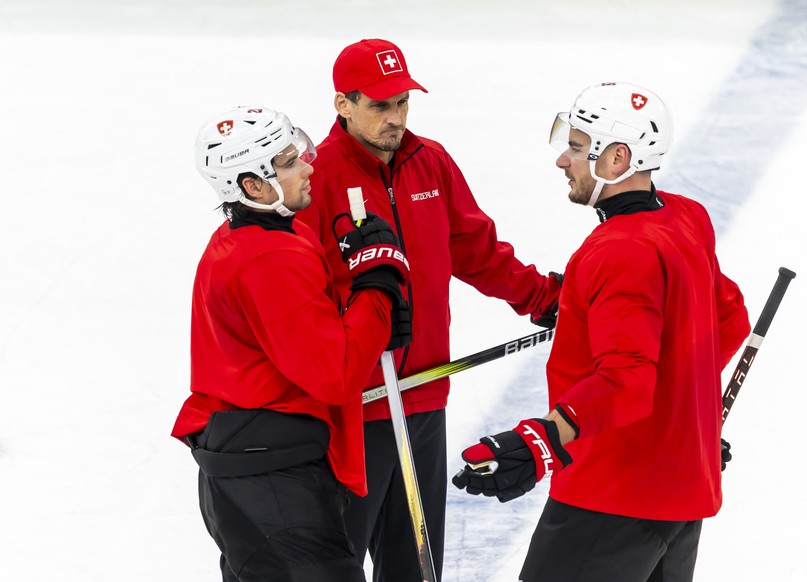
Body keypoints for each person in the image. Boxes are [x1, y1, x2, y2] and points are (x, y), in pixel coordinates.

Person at [452, 82, 752, 582]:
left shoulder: (618, 251)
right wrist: (686, 430)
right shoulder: (686, 217)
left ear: (616, 159)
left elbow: (626, 381)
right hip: (680, 495)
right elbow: (727, 319)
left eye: (575, 147)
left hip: (612, 497)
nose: (562, 161)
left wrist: (541, 440)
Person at [293, 38, 562, 581]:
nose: (395, 118)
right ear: (342, 104)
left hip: (422, 398)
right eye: (380, 105)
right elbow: (295, 291)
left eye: (403, 103)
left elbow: (476, 251)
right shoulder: (314, 178)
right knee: (334, 565)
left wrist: (543, 298)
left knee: (415, 565)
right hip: (352, 408)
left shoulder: (429, 162)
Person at [171, 106, 412, 581]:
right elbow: (335, 375)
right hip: (272, 483)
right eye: (287, 162)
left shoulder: (249, 238)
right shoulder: (270, 257)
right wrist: (378, 287)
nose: (307, 165)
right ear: (252, 186)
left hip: (253, 470)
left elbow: (301, 334)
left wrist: (370, 313)